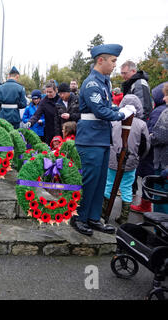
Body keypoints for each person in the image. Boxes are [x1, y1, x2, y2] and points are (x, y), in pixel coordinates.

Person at [72, 43, 136, 236]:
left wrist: (120, 110)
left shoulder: (104, 82)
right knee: (89, 180)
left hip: (100, 137)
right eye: (113, 60)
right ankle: (79, 217)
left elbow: (107, 107)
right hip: (90, 138)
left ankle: (92, 217)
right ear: (101, 60)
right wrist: (121, 114)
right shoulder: (92, 83)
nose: (115, 65)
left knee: (100, 181)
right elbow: (100, 111)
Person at [103, 94, 150, 224]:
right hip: (131, 160)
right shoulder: (141, 124)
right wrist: (138, 157)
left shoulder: (114, 121)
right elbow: (146, 145)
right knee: (127, 187)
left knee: (109, 184)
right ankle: (123, 218)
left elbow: (108, 140)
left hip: (112, 159)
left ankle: (103, 214)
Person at [146, 82, 168, 213]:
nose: (164, 99)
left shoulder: (166, 113)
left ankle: (160, 230)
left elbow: (160, 137)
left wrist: (149, 137)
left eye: (166, 95)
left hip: (163, 162)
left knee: (161, 197)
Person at [25, 80, 59, 145]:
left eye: (50, 92)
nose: (48, 94)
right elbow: (37, 115)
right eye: (47, 92)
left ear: (55, 91)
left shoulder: (60, 99)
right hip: (49, 129)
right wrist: (30, 122)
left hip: (60, 129)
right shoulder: (44, 102)